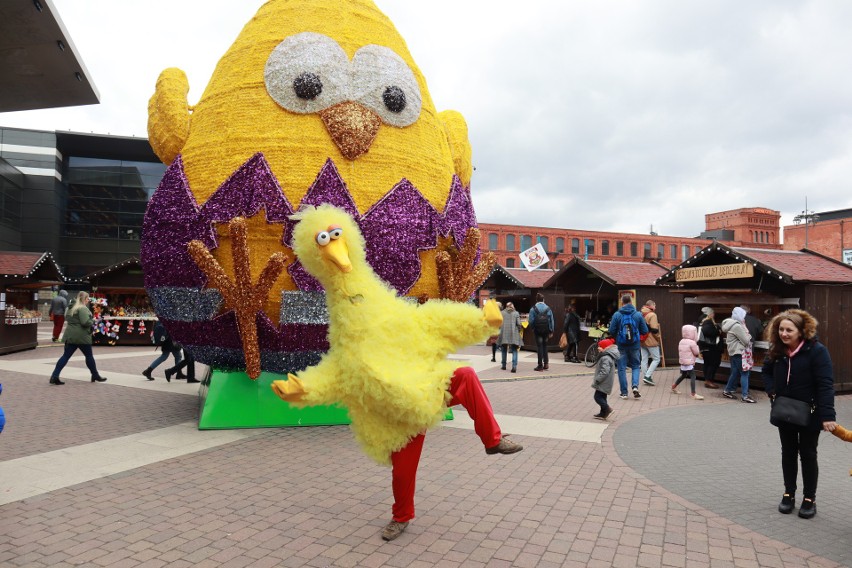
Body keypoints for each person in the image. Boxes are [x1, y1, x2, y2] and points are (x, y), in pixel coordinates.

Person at [762, 309, 836, 519]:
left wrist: (828, 415)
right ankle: (789, 494)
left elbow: (825, 384)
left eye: (789, 330)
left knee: (808, 455)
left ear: (801, 331)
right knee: (788, 453)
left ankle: (809, 498)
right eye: (781, 329)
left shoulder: (817, 351)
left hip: (810, 414)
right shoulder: (777, 350)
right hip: (784, 412)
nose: (784, 334)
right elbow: (766, 371)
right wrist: (772, 390)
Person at [49, 291, 108, 385]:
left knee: (65, 356)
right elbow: (85, 322)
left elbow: (67, 318)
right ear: (84, 299)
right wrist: (92, 320)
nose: (88, 301)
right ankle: (95, 375)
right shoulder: (82, 308)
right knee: (89, 356)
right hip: (82, 336)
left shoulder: (70, 307)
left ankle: (54, 376)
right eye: (87, 299)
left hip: (70, 335)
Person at [608, 294, 649, 399]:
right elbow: (645, 331)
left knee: (621, 368)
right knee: (635, 366)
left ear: (622, 302)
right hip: (635, 345)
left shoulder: (617, 315)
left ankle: (624, 393)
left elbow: (611, 331)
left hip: (621, 345)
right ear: (631, 302)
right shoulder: (638, 315)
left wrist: (618, 334)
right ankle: (635, 386)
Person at [722, 307, 755, 403]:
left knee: (735, 372)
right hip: (739, 352)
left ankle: (727, 391)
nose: (744, 318)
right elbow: (746, 340)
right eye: (743, 316)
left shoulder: (731, 324)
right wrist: (749, 336)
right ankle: (745, 396)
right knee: (745, 373)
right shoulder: (737, 326)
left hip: (734, 352)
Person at [672, 325, 704, 400]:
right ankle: (693, 393)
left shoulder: (681, 341)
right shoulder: (692, 342)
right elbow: (696, 352)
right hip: (689, 362)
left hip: (683, 361)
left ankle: (674, 386)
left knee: (683, 375)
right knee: (693, 376)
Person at [592, 338, 618, 420]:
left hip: (603, 381)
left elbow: (605, 371)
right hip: (606, 382)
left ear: (604, 347)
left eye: (599, 346)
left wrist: (598, 379)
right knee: (603, 397)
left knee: (597, 397)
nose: (598, 348)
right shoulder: (607, 356)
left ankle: (607, 409)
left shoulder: (606, 358)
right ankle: (603, 413)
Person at [697, 307, 722, 389]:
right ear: (710, 314)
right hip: (710, 347)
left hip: (705, 347)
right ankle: (709, 381)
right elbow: (708, 332)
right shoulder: (708, 321)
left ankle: (708, 380)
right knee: (712, 364)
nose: (714, 315)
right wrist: (718, 331)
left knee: (707, 364)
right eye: (713, 313)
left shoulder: (703, 320)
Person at [529, 293, 554, 371]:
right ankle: (546, 364)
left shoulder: (533, 309)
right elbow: (551, 320)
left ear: (536, 300)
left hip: (537, 331)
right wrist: (551, 331)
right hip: (546, 330)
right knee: (545, 346)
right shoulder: (548, 308)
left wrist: (533, 328)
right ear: (543, 300)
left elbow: (531, 321)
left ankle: (540, 365)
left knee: (539, 346)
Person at [640, 299, 662, 386]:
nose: (655, 307)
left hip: (642, 339)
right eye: (655, 305)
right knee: (656, 359)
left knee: (644, 359)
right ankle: (647, 376)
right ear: (651, 305)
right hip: (651, 340)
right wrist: (658, 338)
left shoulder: (641, 313)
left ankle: (646, 376)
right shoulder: (652, 315)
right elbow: (654, 329)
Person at [498, 302, 523, 373]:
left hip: (504, 333)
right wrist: (518, 330)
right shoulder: (516, 313)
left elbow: (499, 324)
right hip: (513, 333)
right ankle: (514, 366)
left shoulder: (502, 313)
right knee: (515, 349)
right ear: (512, 306)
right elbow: (519, 324)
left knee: (503, 349)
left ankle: (503, 365)